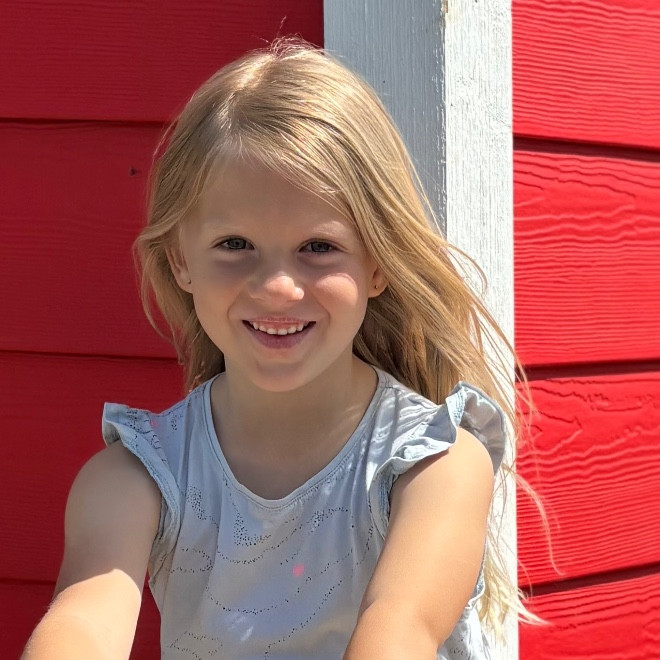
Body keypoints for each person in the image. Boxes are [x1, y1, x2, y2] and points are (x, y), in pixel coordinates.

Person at [23, 38, 530, 659]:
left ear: (378, 264)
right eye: (235, 245)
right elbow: (82, 624)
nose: (276, 287)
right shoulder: (138, 478)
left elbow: (399, 633)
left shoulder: (436, 466)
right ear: (181, 261)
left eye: (318, 248)